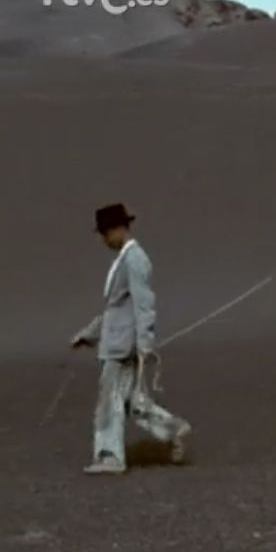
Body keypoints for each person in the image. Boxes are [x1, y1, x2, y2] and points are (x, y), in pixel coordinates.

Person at [71, 203, 191, 475]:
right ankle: (173, 429)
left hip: (121, 347)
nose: (103, 240)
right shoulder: (125, 259)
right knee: (132, 401)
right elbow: (115, 309)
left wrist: (145, 343)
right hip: (118, 341)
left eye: (104, 233)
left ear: (116, 229)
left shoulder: (135, 259)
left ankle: (110, 456)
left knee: (109, 402)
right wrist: (89, 335)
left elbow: (143, 304)